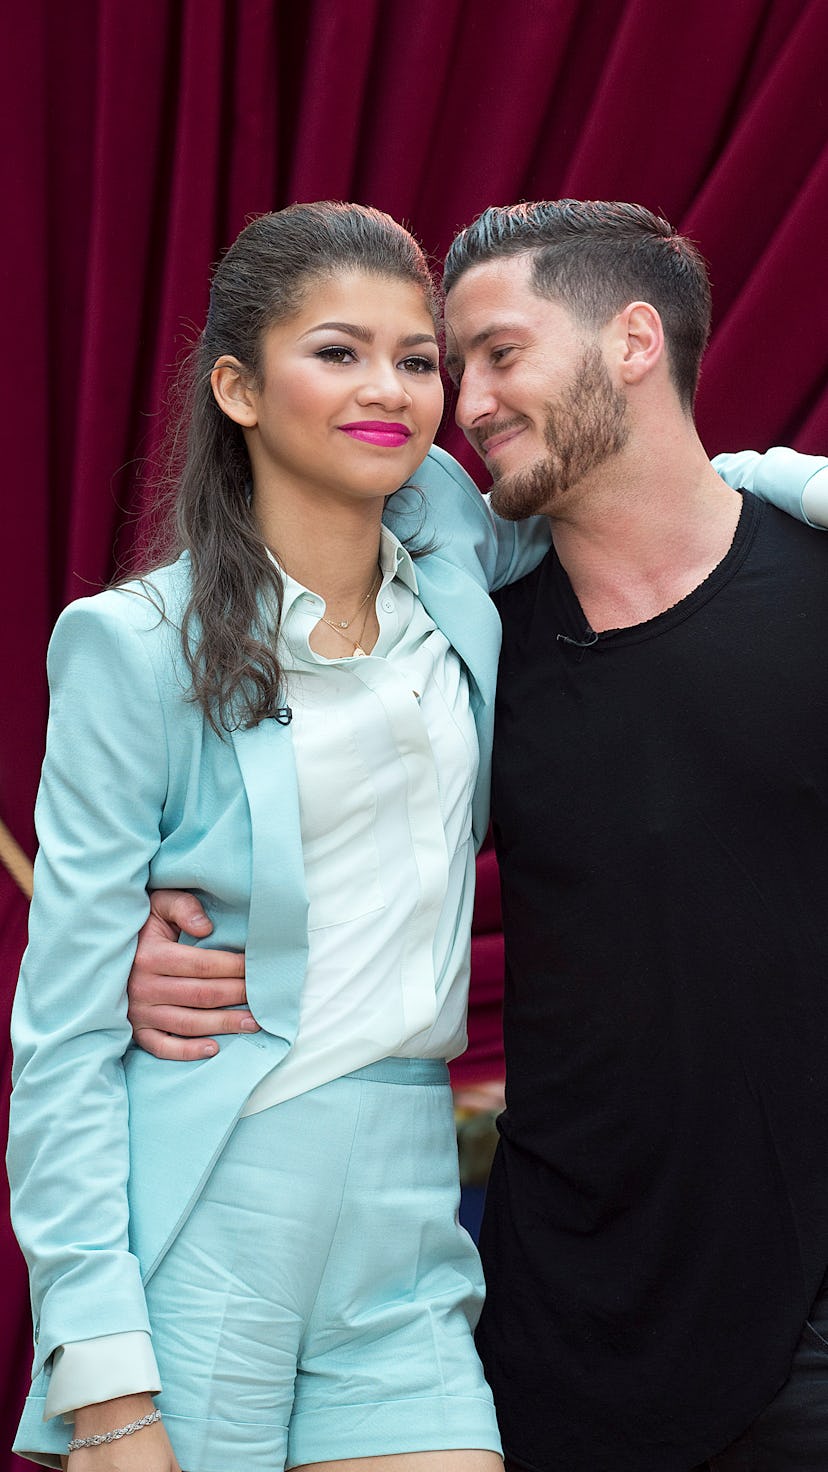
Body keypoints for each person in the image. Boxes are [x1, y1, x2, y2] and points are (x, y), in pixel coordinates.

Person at [126, 200, 828, 1472]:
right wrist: (161, 937)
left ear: (630, 339)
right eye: (459, 368)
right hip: (555, 1323)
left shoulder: (814, 580)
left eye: (499, 352)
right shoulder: (464, 644)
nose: (468, 402)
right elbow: (310, 840)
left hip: (808, 1323)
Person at [9, 200, 557, 1472]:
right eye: (338, 351)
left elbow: (653, 497)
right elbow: (66, 1032)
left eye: (417, 357)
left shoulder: (462, 582)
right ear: (238, 388)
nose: (391, 388)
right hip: (211, 1219)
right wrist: (105, 1382)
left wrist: (793, 483)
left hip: (412, 1223)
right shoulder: (133, 643)